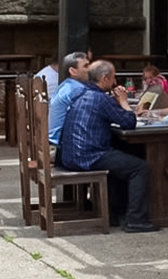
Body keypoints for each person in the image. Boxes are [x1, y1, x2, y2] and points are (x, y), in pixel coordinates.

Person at [59, 60, 156, 232]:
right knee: (139, 168)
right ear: (104, 78)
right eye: (113, 77)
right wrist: (124, 101)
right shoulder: (100, 98)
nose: (114, 81)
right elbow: (128, 122)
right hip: (89, 156)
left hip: (70, 155)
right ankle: (136, 220)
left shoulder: (82, 93)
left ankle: (115, 213)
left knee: (123, 157)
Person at [47, 51, 91, 148]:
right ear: (73, 71)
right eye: (86, 66)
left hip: (53, 142)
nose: (90, 69)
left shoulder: (66, 85)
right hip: (60, 147)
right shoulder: (77, 89)